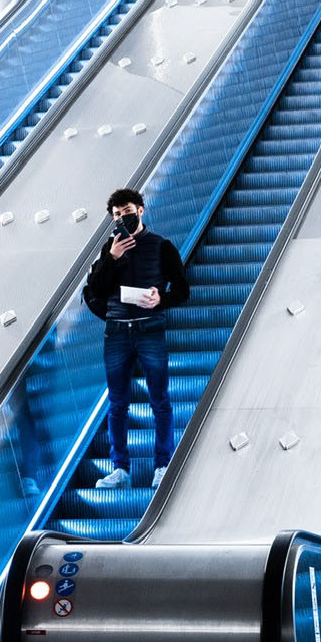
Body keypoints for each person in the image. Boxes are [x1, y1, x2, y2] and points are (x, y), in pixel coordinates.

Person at [82, 187, 189, 489]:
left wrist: (160, 300)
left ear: (140, 210)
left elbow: (182, 291)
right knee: (117, 404)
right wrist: (112, 258)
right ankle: (120, 470)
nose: (122, 218)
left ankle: (163, 465)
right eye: (117, 215)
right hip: (116, 332)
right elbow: (96, 290)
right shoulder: (110, 249)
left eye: (127, 211)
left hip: (149, 330)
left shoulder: (161, 246)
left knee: (160, 400)